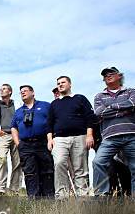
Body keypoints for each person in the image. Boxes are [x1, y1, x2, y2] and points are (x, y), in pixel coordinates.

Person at [47, 76, 95, 198]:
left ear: (70, 84)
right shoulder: (54, 104)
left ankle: (83, 197)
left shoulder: (80, 98)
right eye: (58, 83)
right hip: (59, 139)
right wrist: (49, 139)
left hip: (80, 137)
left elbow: (90, 117)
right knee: (59, 163)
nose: (60, 85)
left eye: (63, 82)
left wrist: (89, 135)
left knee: (80, 168)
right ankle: (62, 197)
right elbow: (49, 123)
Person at [92, 66, 135, 196]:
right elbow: (100, 113)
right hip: (110, 137)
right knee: (98, 162)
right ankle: (101, 196)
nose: (108, 76)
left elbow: (133, 104)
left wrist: (111, 107)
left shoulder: (130, 91)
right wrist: (124, 110)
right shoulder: (99, 96)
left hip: (131, 134)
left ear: (119, 76)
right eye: (105, 75)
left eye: (111, 73)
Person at [11, 85, 54, 198]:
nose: (23, 93)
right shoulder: (18, 111)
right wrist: (18, 143)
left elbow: (53, 121)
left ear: (33, 93)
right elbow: (13, 127)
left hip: (43, 143)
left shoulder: (45, 106)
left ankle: (49, 198)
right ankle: (33, 199)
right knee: (30, 172)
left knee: (47, 171)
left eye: (25, 91)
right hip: (25, 145)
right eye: (21, 92)